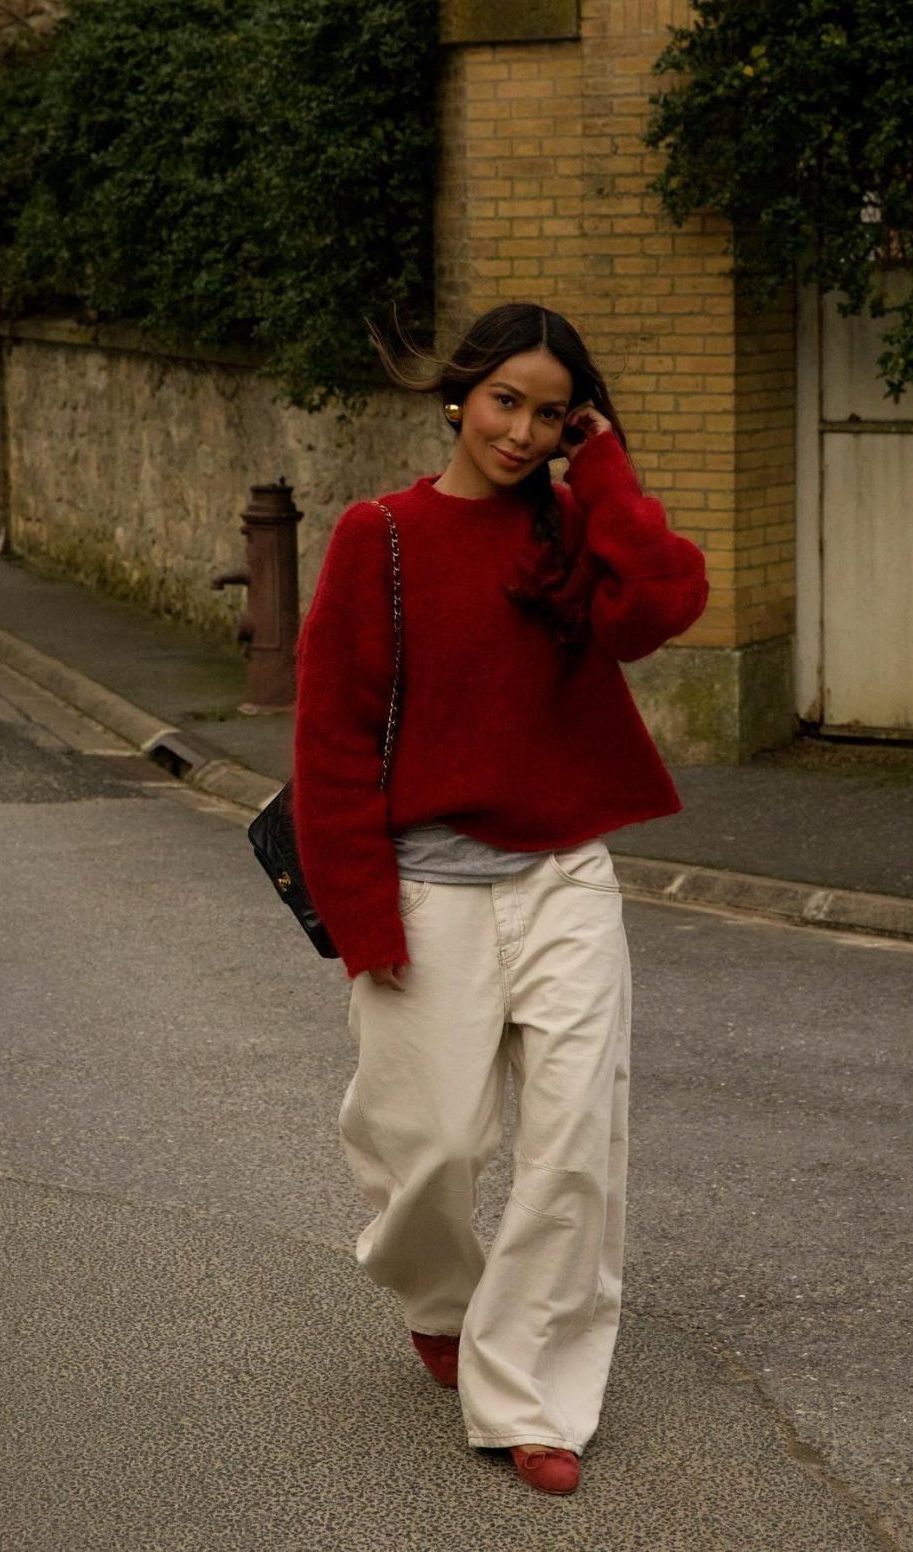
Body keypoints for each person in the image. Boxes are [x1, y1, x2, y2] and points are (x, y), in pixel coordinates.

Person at [292, 303, 708, 1495]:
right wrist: (363, 921)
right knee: (427, 1147)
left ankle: (530, 1392)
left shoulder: (576, 527)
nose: (521, 431)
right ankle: (437, 1293)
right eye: (503, 402)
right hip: (426, 888)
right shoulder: (380, 537)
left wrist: (610, 465)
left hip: (566, 874)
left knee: (576, 1139)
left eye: (548, 410)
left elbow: (663, 607)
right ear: (459, 400)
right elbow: (328, 742)